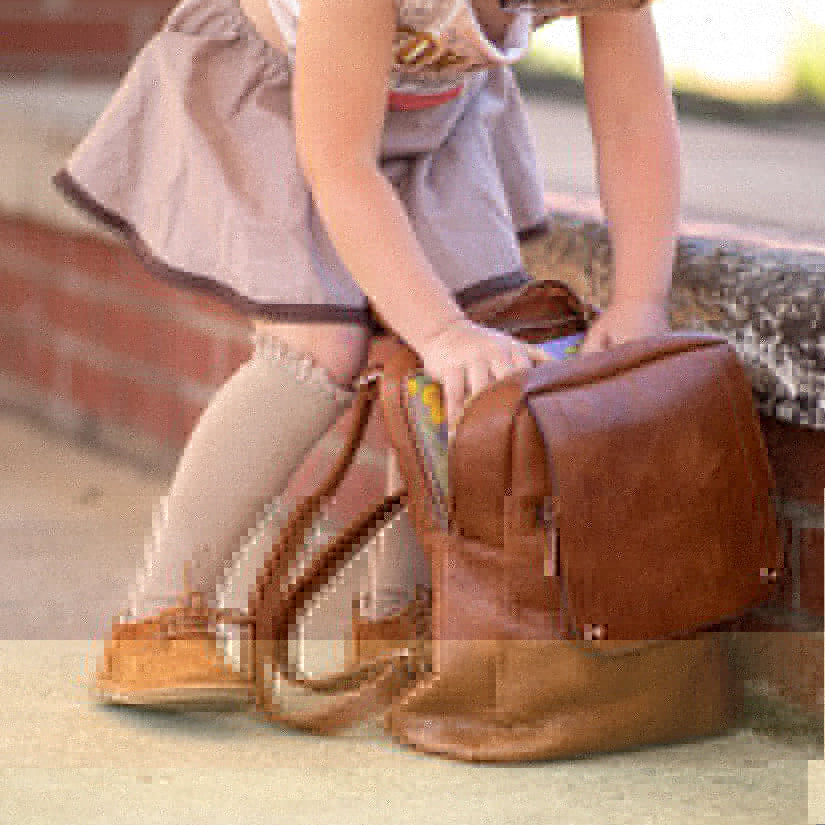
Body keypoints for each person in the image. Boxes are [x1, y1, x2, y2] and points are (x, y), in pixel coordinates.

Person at [52, 0, 676, 708]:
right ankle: (158, 619)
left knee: (482, 351)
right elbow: (339, 163)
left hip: (429, 119)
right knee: (321, 347)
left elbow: (633, 125)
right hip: (278, 101)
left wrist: (638, 300)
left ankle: (398, 618)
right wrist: (439, 330)